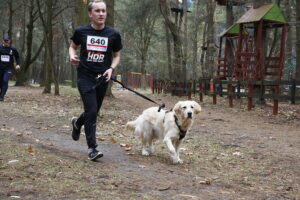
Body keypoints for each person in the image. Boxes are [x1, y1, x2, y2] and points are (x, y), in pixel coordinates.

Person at [69, 0, 122, 161]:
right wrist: (72, 56)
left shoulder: (113, 34)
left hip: (102, 78)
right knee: (91, 111)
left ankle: (77, 123)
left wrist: (111, 69)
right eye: (97, 11)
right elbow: (72, 46)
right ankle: (92, 148)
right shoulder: (81, 31)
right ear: (90, 14)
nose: (101, 14)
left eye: (103, 11)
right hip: (85, 77)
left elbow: (117, 56)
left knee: (93, 111)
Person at [0, 35, 21, 101]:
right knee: (1, 82)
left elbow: (17, 57)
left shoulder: (13, 49)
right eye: (5, 40)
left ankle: (2, 96)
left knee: (5, 80)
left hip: (8, 68)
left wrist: (18, 64)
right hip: (0, 68)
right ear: (2, 41)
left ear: (9, 41)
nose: (6, 42)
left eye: (7, 41)